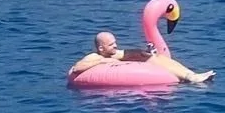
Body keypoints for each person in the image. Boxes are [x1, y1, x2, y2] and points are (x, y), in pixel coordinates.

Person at [68, 29, 215, 85]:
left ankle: (191, 75)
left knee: (158, 58)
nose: (115, 46)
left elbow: (130, 53)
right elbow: (77, 68)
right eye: (111, 44)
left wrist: (146, 53)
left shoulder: (115, 53)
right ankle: (191, 78)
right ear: (101, 48)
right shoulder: (94, 56)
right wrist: (103, 61)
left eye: (115, 43)